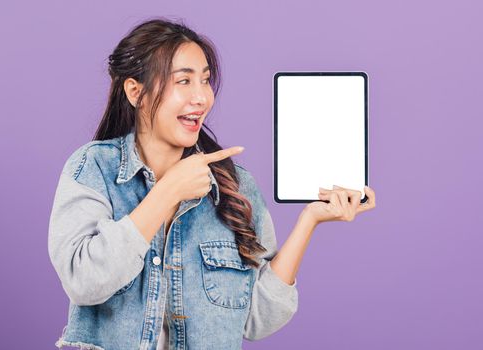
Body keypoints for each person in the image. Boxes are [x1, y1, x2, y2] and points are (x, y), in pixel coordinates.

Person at [48, 17, 376, 350]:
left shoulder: (234, 186)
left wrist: (310, 220)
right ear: (136, 92)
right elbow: (83, 280)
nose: (201, 97)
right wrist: (166, 193)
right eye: (184, 81)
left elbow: (259, 318)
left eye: (204, 80)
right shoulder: (94, 168)